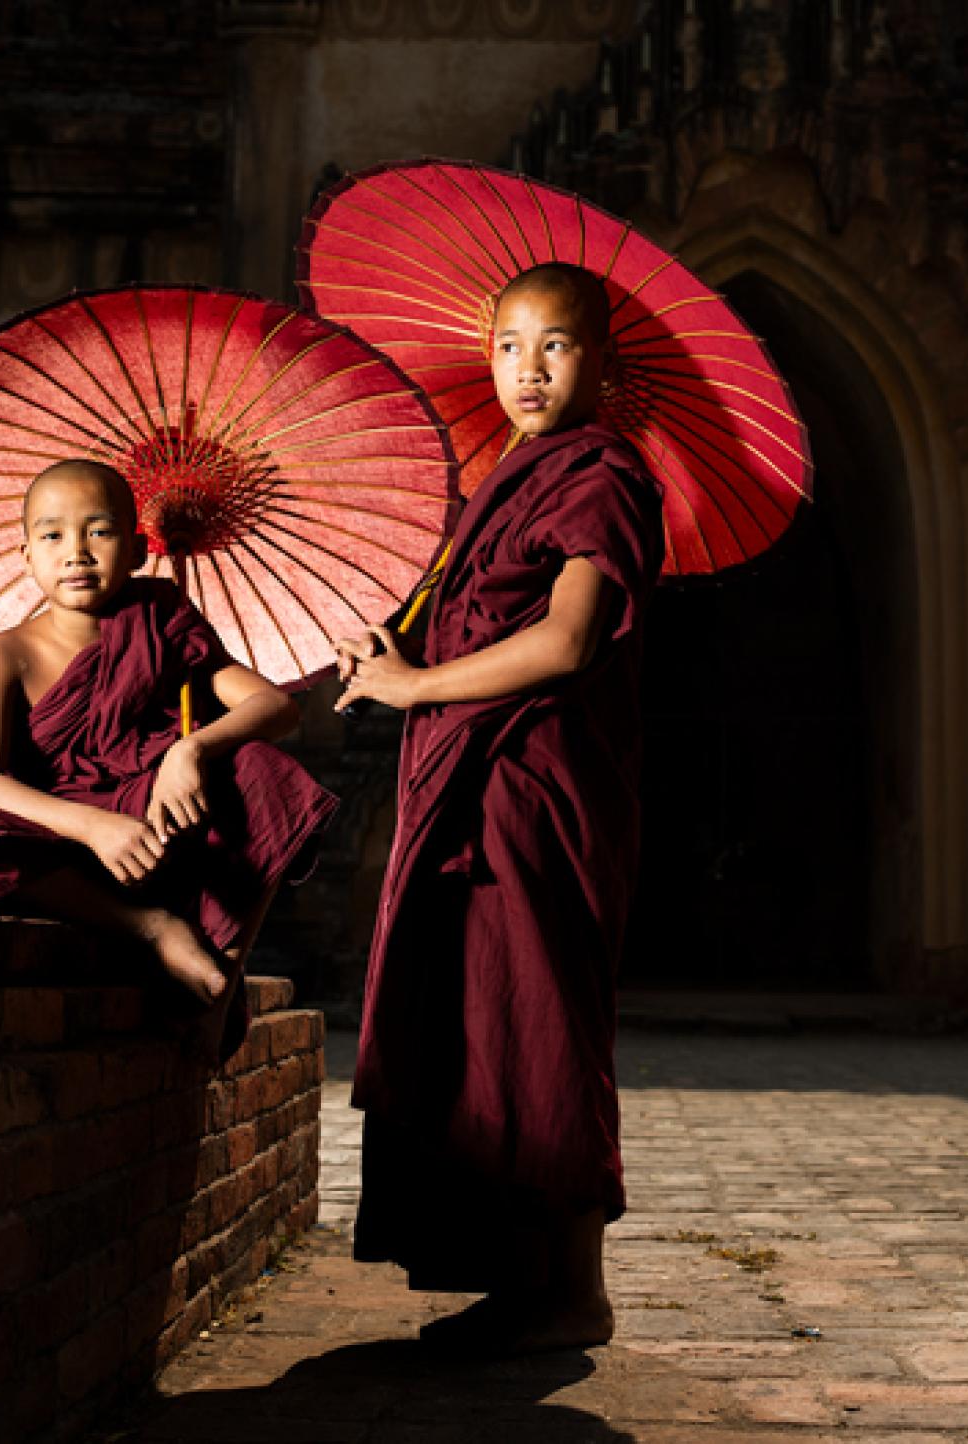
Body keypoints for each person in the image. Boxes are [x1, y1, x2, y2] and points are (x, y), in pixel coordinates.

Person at [333, 262, 664, 1354]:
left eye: (557, 344)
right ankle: (521, 1280)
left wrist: (417, 687)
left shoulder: (605, 472)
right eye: (510, 345)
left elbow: (566, 641)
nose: (528, 367)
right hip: (464, 776)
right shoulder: (504, 476)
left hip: (535, 780)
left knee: (541, 1018)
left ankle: (576, 1290)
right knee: (483, 1023)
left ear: (602, 362)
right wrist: (405, 654)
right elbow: (481, 627)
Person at [0, 460, 337, 1049]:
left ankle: (220, 982)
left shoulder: (161, 620)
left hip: (159, 832)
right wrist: (94, 827)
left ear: (139, 550)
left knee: (263, 772)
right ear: (26, 555)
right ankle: (151, 931)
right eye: (53, 535)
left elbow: (276, 707)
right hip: (65, 852)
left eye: (100, 531)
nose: (77, 553)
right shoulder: (3, 654)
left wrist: (190, 750)